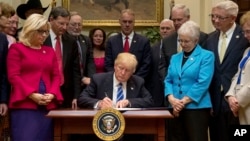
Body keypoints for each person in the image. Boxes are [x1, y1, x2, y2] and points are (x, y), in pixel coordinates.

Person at [7, 13, 63, 141]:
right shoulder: (17, 49)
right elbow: (13, 76)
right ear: (31, 29)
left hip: (47, 106)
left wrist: (53, 94)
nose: (44, 35)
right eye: (41, 31)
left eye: (46, 32)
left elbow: (56, 76)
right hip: (24, 105)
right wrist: (32, 94)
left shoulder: (49, 51)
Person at [203, 1, 249, 141]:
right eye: (213, 16)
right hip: (215, 102)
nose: (215, 20)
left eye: (220, 17)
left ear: (233, 18)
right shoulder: (209, 39)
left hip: (238, 102)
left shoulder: (244, 36)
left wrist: (235, 98)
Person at [165, 20, 214, 141]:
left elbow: (203, 83)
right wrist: (171, 99)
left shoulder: (206, 56)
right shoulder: (175, 58)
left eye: (186, 41)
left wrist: (182, 102)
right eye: (180, 40)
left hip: (196, 109)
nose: (182, 44)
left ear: (196, 40)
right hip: (175, 108)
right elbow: (168, 80)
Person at [78, 52, 153, 109]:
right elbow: (82, 99)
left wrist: (129, 102)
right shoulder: (99, 79)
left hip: (129, 121)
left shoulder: (138, 82)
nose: (123, 73)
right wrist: (100, 103)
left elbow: (149, 101)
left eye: (127, 70)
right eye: (120, 68)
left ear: (133, 72)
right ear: (115, 66)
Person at [44, 6, 82, 109]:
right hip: (45, 92)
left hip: (66, 93)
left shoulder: (71, 41)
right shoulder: (42, 39)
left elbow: (76, 71)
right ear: (51, 19)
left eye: (67, 24)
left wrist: (76, 96)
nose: (65, 27)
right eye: (61, 23)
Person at [161, 4, 208, 76]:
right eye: (174, 20)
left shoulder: (202, 38)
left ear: (188, 18)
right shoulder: (167, 41)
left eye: (179, 20)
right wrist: (169, 84)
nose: (176, 23)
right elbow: (163, 67)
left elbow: (204, 67)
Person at [105, 9, 151, 79]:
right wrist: (117, 78)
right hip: (116, 81)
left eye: (130, 22)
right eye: (124, 21)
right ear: (119, 22)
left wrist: (133, 80)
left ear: (134, 23)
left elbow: (146, 65)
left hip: (136, 83)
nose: (127, 24)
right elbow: (108, 64)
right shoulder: (111, 41)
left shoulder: (143, 41)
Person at [225, 11, 250, 124]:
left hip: (244, 103)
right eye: (244, 32)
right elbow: (238, 74)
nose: (245, 36)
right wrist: (230, 95)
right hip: (241, 107)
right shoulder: (247, 51)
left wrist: (237, 101)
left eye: (248, 32)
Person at [146, 19, 175, 107]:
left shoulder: (177, 47)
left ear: (174, 30)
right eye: (162, 28)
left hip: (173, 91)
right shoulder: (153, 48)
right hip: (156, 92)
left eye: (167, 28)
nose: (164, 31)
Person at [66, 11, 96, 88]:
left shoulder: (86, 40)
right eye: (73, 24)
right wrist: (80, 78)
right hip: (68, 83)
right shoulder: (63, 40)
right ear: (67, 24)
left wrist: (91, 78)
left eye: (79, 25)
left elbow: (90, 61)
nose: (77, 27)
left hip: (85, 83)